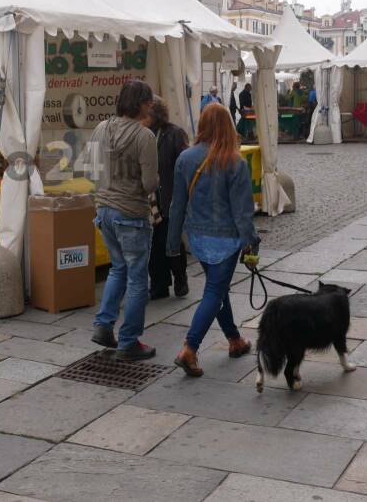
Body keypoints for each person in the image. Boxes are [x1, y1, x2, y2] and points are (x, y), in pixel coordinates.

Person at [167, 102, 258, 377]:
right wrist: (251, 242)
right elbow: (242, 211)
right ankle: (189, 349)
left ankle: (234, 340)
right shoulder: (234, 161)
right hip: (226, 240)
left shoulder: (185, 158)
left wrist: (173, 244)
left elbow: (177, 205)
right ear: (228, 125)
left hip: (197, 238)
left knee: (217, 289)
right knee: (214, 291)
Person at [87, 80, 159, 361]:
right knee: (138, 279)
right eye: (149, 101)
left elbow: (92, 170)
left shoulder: (100, 128)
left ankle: (103, 326)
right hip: (130, 213)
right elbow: (150, 183)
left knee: (118, 269)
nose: (151, 106)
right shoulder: (145, 137)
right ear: (141, 103)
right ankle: (129, 341)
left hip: (104, 209)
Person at [145, 97, 189, 300]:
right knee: (155, 247)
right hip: (150, 200)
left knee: (170, 243)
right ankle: (159, 285)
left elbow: (185, 164)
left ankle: (179, 278)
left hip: (170, 197)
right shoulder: (145, 134)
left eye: (148, 113)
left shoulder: (175, 133)